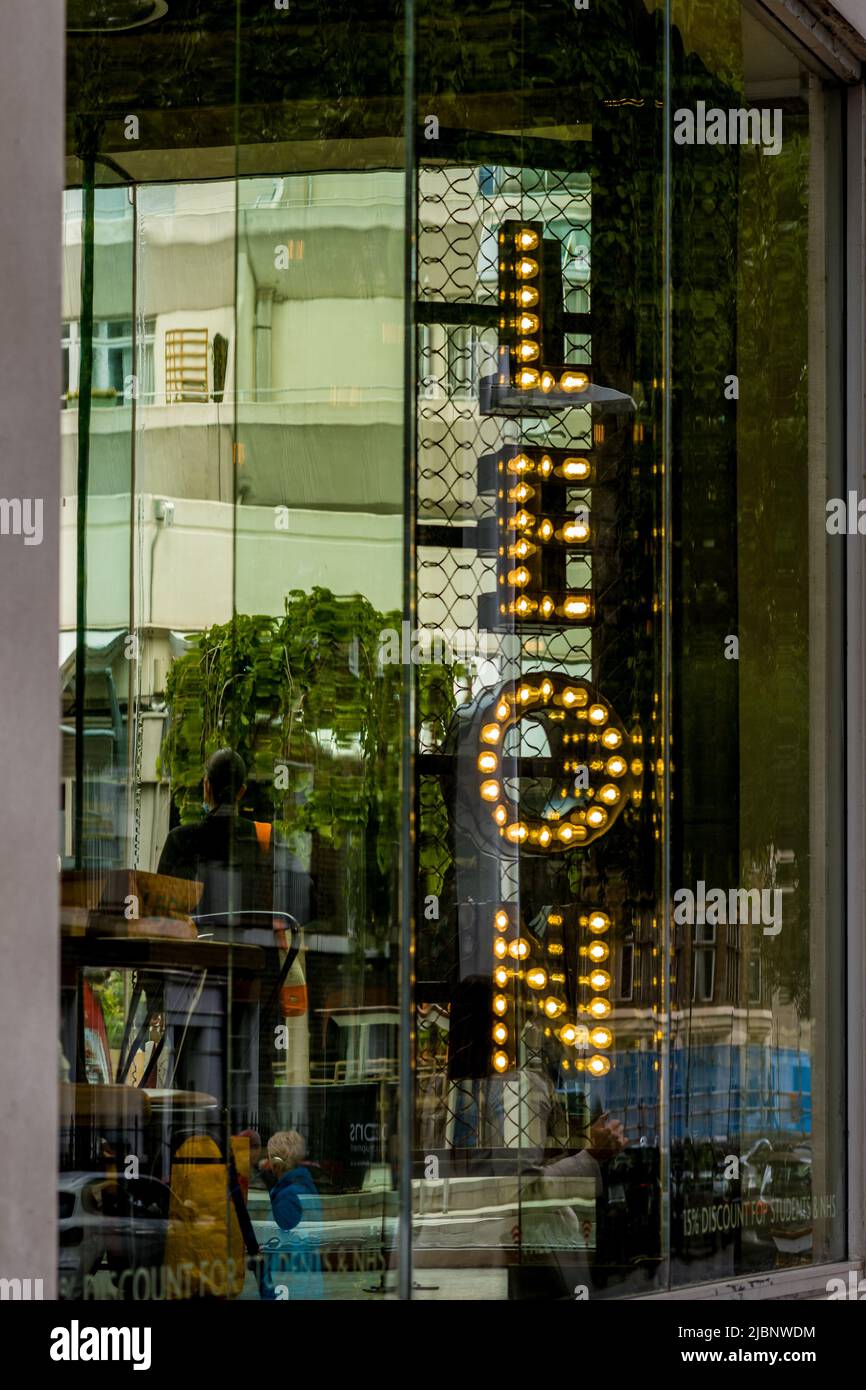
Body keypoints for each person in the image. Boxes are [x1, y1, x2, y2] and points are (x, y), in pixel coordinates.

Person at [259, 1130, 323, 1300]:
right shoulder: (304, 1186)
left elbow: (285, 1243)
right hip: (305, 1276)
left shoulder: (287, 1195)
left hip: (289, 1281)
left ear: (276, 1163)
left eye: (270, 1157)